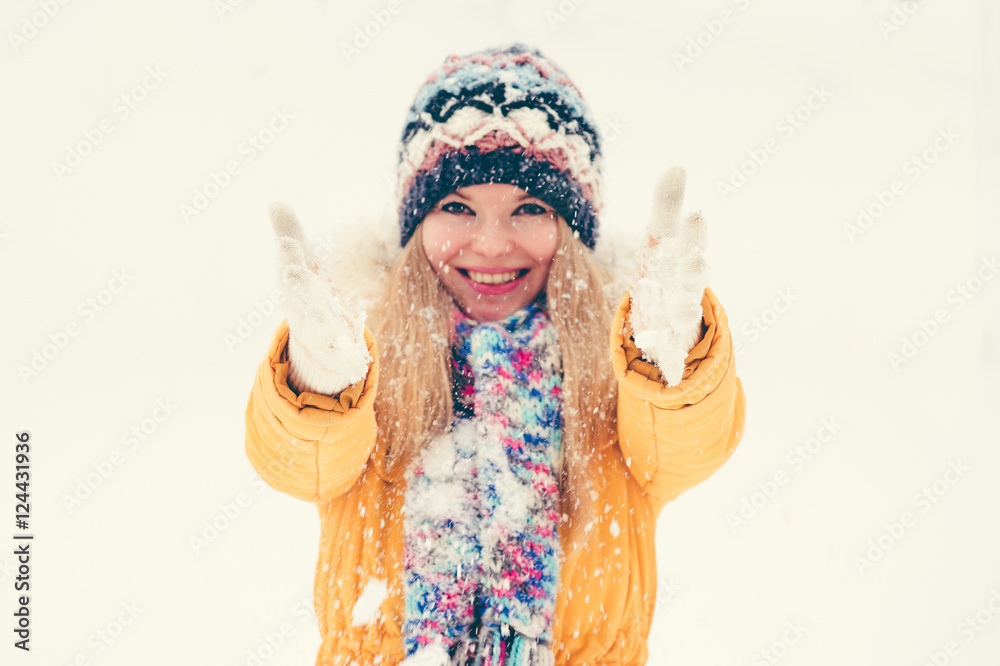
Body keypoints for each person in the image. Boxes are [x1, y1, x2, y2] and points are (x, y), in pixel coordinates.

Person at [245, 43, 746, 665]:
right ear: (415, 225)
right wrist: (316, 389)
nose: (489, 243)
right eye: (457, 206)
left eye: (530, 208)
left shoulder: (617, 379)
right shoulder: (361, 369)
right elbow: (297, 462)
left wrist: (674, 372)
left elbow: (690, 442)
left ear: (572, 231)